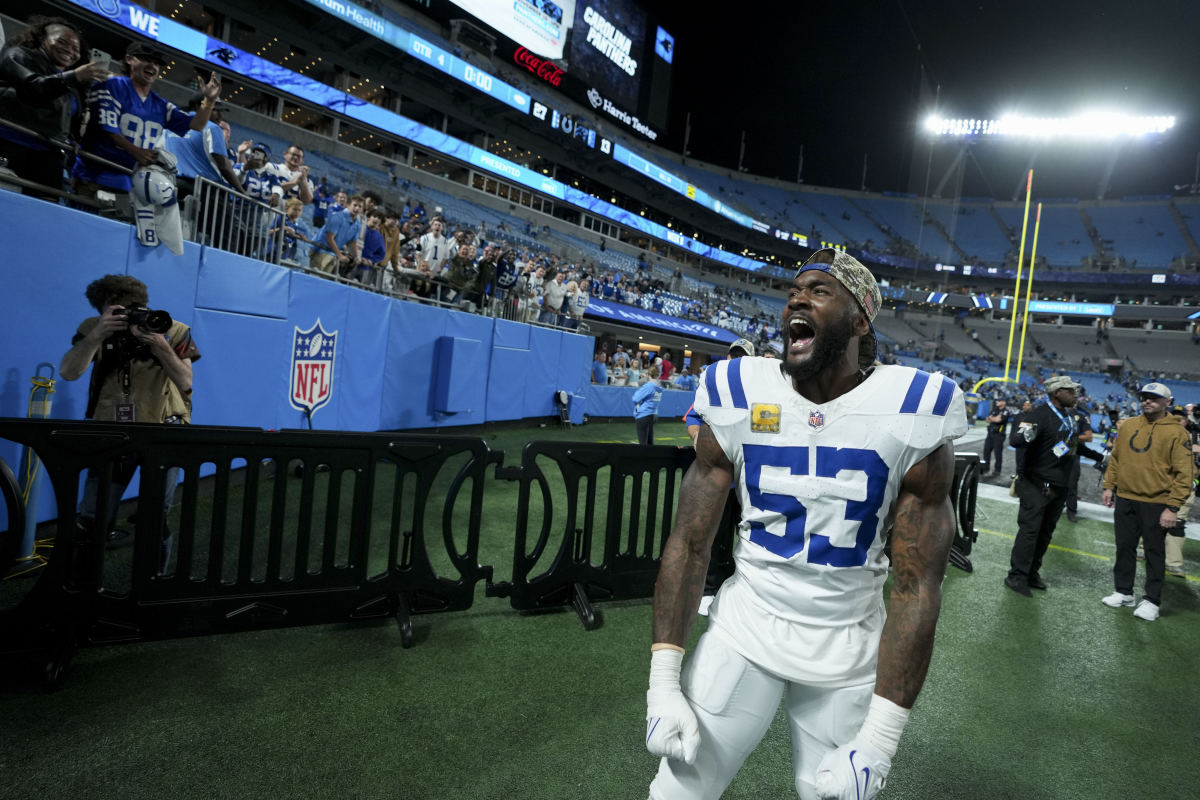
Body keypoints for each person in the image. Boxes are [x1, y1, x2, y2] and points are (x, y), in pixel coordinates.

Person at [646, 249, 965, 800]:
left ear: (860, 319)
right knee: (678, 792)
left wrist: (882, 740)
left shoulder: (915, 407)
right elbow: (690, 543)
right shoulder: (738, 390)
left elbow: (916, 587)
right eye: (796, 289)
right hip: (744, 630)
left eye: (820, 290)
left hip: (847, 650)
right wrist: (660, 684)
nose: (798, 297)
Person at [58, 275, 199, 567]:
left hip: (162, 429)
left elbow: (186, 382)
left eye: (134, 307)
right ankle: (82, 583)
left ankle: (153, 582)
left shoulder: (172, 329)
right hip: (111, 429)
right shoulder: (92, 328)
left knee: (155, 515)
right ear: (103, 310)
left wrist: (160, 345)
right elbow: (69, 372)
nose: (128, 315)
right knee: (93, 515)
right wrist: (97, 335)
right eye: (117, 311)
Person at [73, 41, 221, 203]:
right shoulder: (109, 86)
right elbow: (109, 130)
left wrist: (209, 101)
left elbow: (197, 125)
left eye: (157, 63)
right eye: (146, 59)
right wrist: (137, 151)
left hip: (129, 185)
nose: (153, 66)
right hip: (93, 178)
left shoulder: (160, 104)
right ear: (129, 59)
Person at [1100, 383, 1194, 621]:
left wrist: (1173, 507)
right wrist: (1109, 486)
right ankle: (1124, 592)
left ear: (1167, 402)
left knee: (1154, 552)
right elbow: (1116, 459)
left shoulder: (1177, 432)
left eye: (1154, 398)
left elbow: (1185, 474)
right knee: (1124, 548)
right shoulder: (1130, 425)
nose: (1147, 401)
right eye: (1144, 397)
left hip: (1157, 502)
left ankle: (1152, 600)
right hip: (1126, 498)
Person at [0, 16, 108, 199]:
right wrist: (73, 76)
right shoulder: (18, 54)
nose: (70, 50)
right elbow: (35, 88)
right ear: (42, 39)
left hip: (48, 155)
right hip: (10, 144)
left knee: (42, 212)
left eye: (76, 49)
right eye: (62, 42)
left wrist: (72, 138)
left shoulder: (71, 83)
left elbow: (71, 116)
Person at [1003, 376, 1083, 597]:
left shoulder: (1069, 417)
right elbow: (1016, 441)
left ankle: (1031, 573)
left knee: (1046, 533)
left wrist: (1099, 458)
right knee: (1029, 532)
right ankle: (1016, 576)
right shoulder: (1037, 415)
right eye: (1070, 390)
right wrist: (1027, 433)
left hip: (1059, 485)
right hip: (1036, 484)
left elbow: (1072, 445)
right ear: (1057, 392)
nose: (1075, 394)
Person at [683, 338, 755, 445]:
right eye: (733, 355)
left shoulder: (757, 387)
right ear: (727, 356)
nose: (736, 360)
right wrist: (696, 437)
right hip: (715, 454)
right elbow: (693, 417)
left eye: (741, 356)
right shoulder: (712, 383)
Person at [1163, 405, 1198, 578]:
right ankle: (1143, 547)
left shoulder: (1195, 437)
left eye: (1181, 417)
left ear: (1186, 420)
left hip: (1185, 486)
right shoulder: (1160, 433)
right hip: (1160, 485)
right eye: (1174, 416)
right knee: (1152, 518)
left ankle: (1173, 562)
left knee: (1178, 523)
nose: (1178, 420)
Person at [309, 194, 363, 275]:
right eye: (355, 205)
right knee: (314, 278)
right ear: (348, 205)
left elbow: (352, 242)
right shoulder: (337, 217)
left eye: (360, 206)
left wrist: (356, 257)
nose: (357, 208)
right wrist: (340, 255)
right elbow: (330, 238)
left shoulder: (358, 224)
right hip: (320, 250)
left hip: (332, 253)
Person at [1063, 403, 1097, 522]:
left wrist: (1071, 438)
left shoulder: (1081, 417)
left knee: (1071, 483)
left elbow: (1089, 436)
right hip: (1057, 453)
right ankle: (1055, 506)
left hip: (1073, 454)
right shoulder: (1056, 414)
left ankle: (1071, 511)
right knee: (1052, 480)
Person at [632, 364, 663, 445]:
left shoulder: (649, 386)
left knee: (643, 443)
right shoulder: (658, 386)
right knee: (649, 443)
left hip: (644, 415)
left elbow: (635, 398)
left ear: (648, 374)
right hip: (653, 415)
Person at [982, 397, 1012, 477]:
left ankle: (997, 471)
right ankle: (985, 469)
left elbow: (998, 420)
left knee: (997, 453)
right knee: (986, 452)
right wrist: (993, 418)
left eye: (999, 401)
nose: (997, 402)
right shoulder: (995, 410)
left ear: (1004, 402)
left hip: (999, 435)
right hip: (990, 434)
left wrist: (992, 418)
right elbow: (987, 420)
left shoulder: (1006, 411)